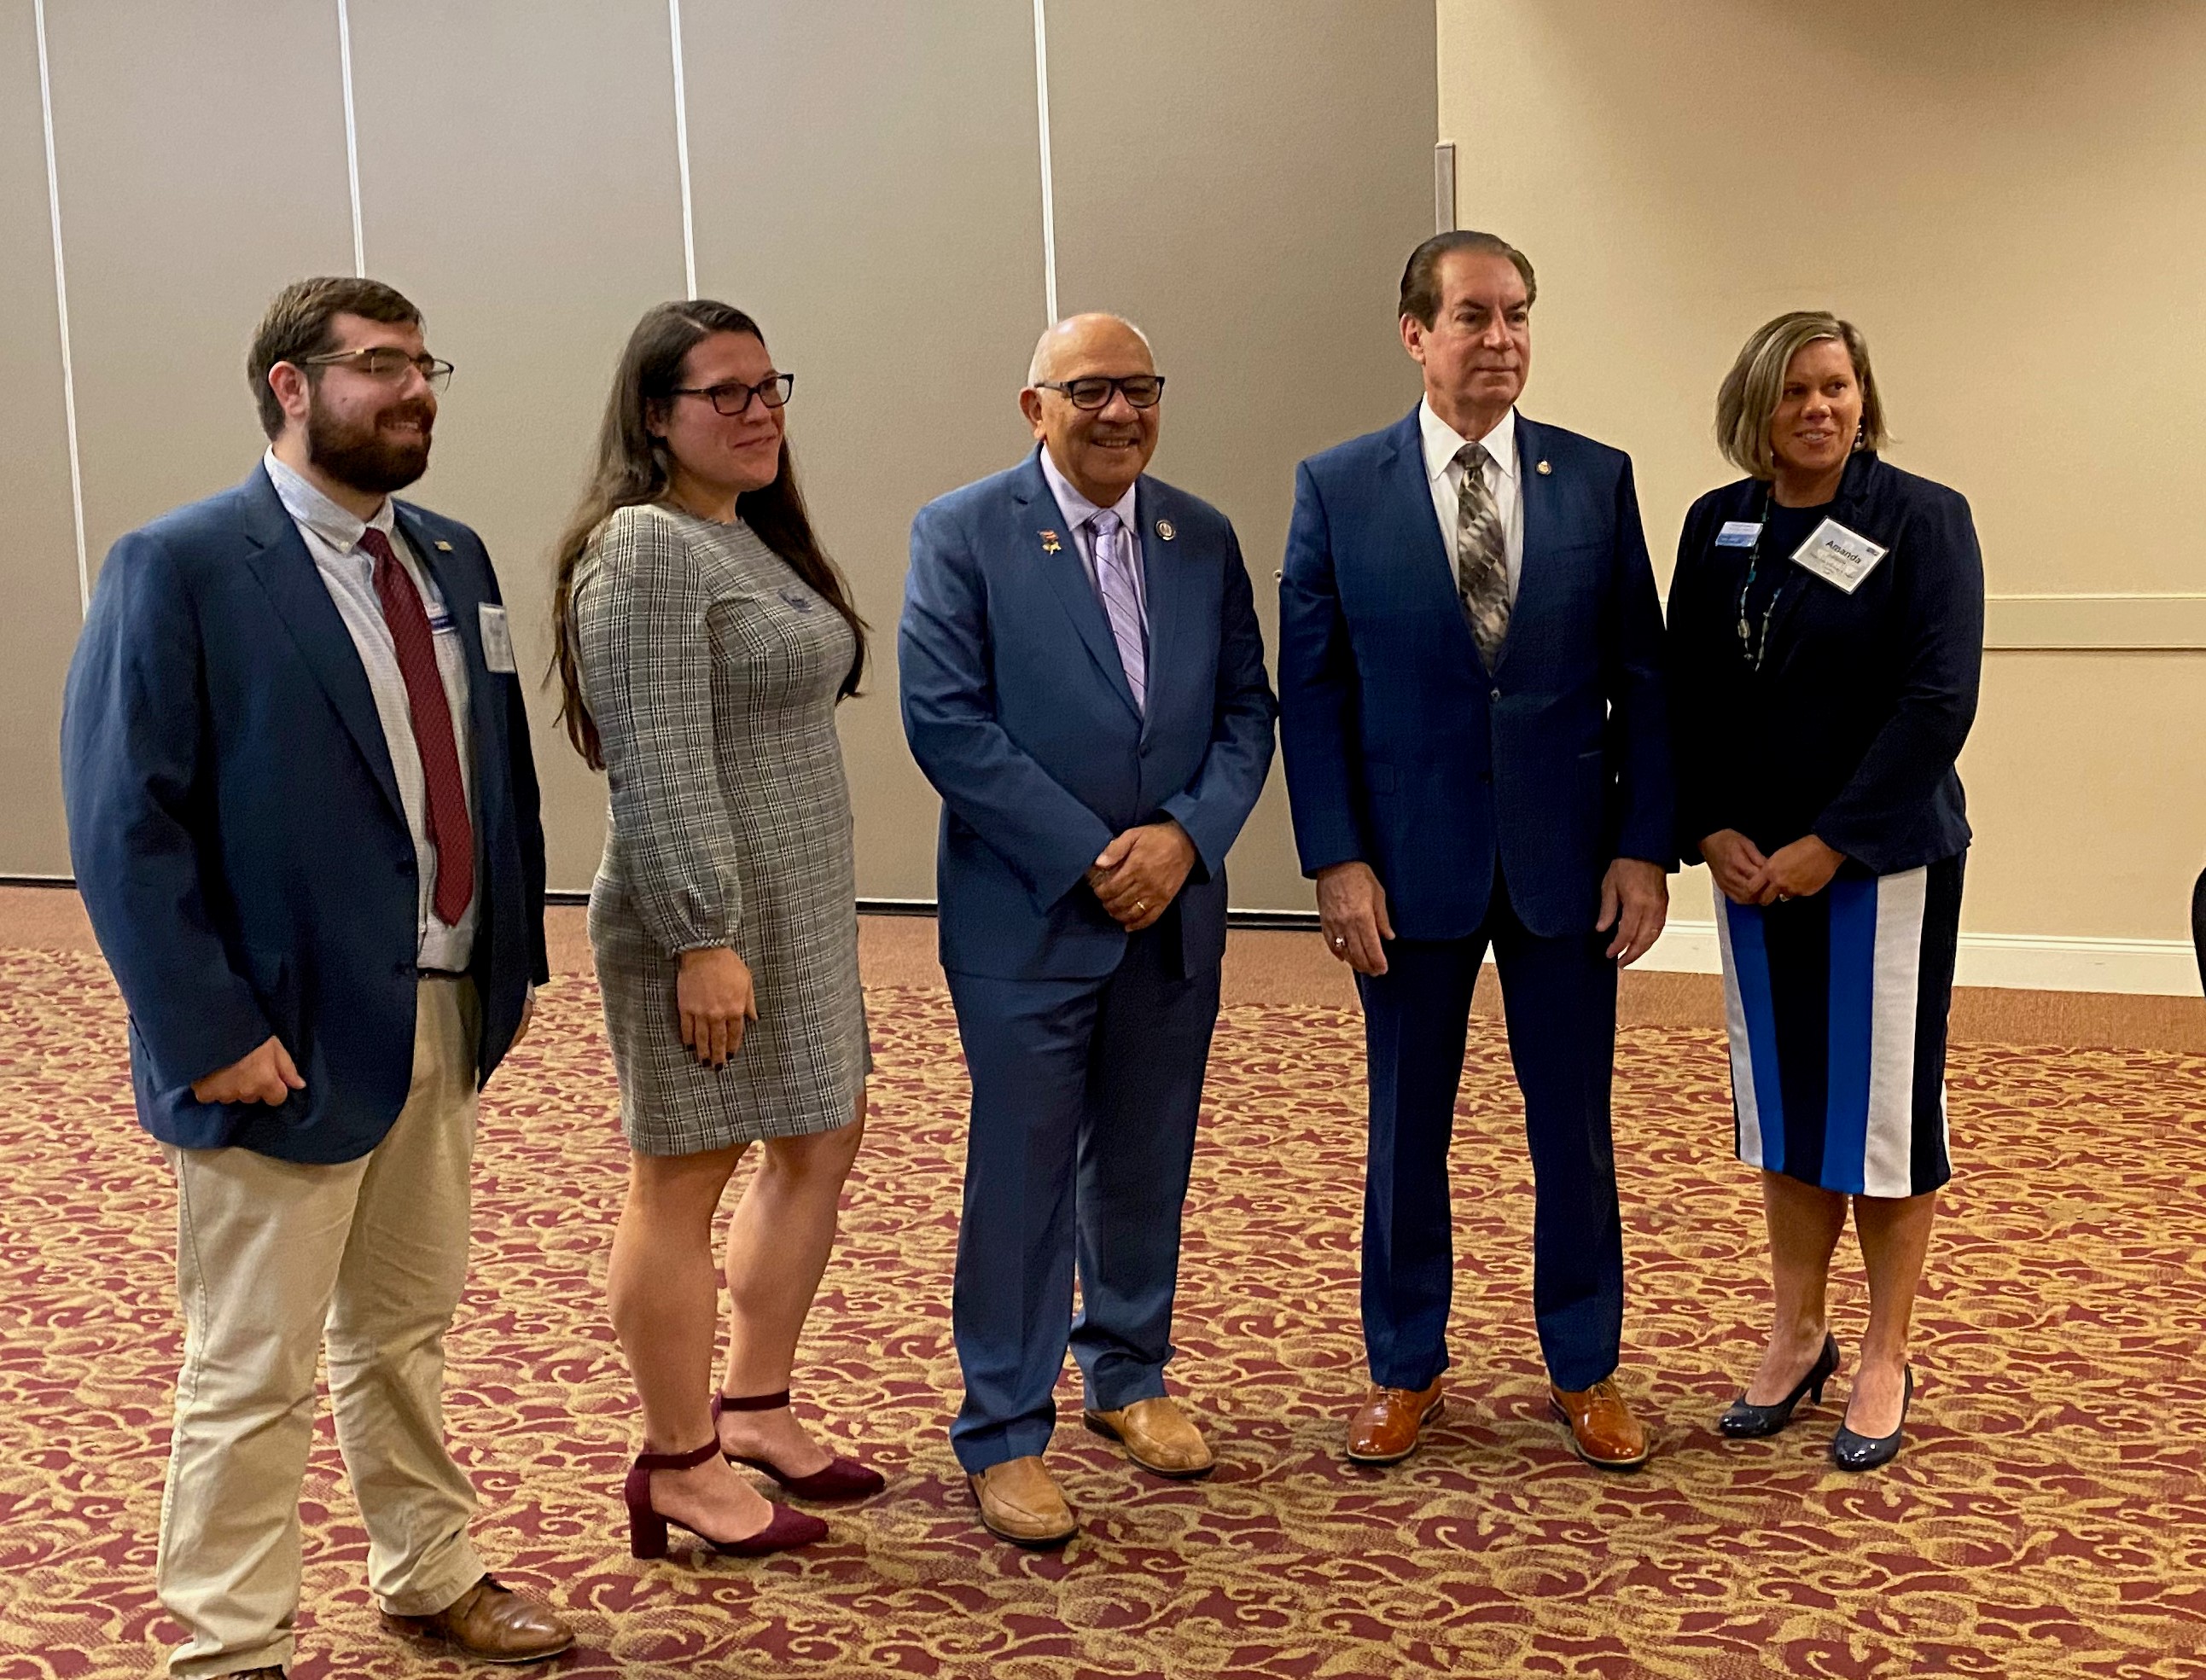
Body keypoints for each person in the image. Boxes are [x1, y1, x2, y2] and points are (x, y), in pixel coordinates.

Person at [59, 276, 568, 1675]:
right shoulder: (184, 564)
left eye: (426, 366)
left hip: (440, 1003)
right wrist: (207, 1028)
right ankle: (227, 1646)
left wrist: (499, 966)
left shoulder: (451, 557)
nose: (416, 392)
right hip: (271, 1034)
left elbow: (493, 773)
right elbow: (122, 819)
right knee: (254, 1363)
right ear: (290, 385)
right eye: (381, 367)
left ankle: (428, 1567)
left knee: (405, 1326)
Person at [1277, 231, 1674, 1473]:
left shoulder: (1594, 479)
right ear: (1414, 333)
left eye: (1515, 316)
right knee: (1405, 1126)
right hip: (1404, 870)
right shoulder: (1336, 485)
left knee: (1575, 1126)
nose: (1498, 339)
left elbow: (1643, 679)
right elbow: (1315, 688)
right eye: (1470, 317)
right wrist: (1335, 858)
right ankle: (1404, 1364)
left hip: (1567, 864)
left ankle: (1584, 1363)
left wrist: (1641, 846)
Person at [899, 314, 1276, 1546]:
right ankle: (1003, 1429)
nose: (1119, 412)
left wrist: (1182, 838)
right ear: (1034, 407)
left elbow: (1243, 712)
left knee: (1146, 1152)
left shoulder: (1199, 534)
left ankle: (1127, 1371)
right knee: (1019, 1174)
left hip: (1174, 909)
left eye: (1140, 389)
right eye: (1090, 391)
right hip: (1030, 915)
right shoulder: (961, 531)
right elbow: (947, 722)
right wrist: (1089, 856)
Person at [551, 299, 877, 1567]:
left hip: (794, 905)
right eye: (724, 394)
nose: (758, 414)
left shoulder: (745, 538)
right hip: (704, 917)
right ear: (653, 415)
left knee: (820, 1129)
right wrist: (702, 935)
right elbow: (655, 759)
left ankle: (756, 1404)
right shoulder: (643, 548)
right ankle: (679, 1460)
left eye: (768, 388)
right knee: (680, 1175)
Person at [1668, 311, 1983, 1471]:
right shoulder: (1718, 523)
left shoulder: (1919, 519)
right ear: (1755, 404)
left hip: (1879, 869)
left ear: (1862, 398)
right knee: (1789, 1107)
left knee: (1882, 1116)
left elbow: (1934, 700)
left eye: (1836, 387)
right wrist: (1709, 826)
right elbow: (1685, 690)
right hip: (1748, 871)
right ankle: (1795, 1332)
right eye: (1795, 389)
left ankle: (1885, 1352)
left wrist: (1830, 843)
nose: (1817, 408)